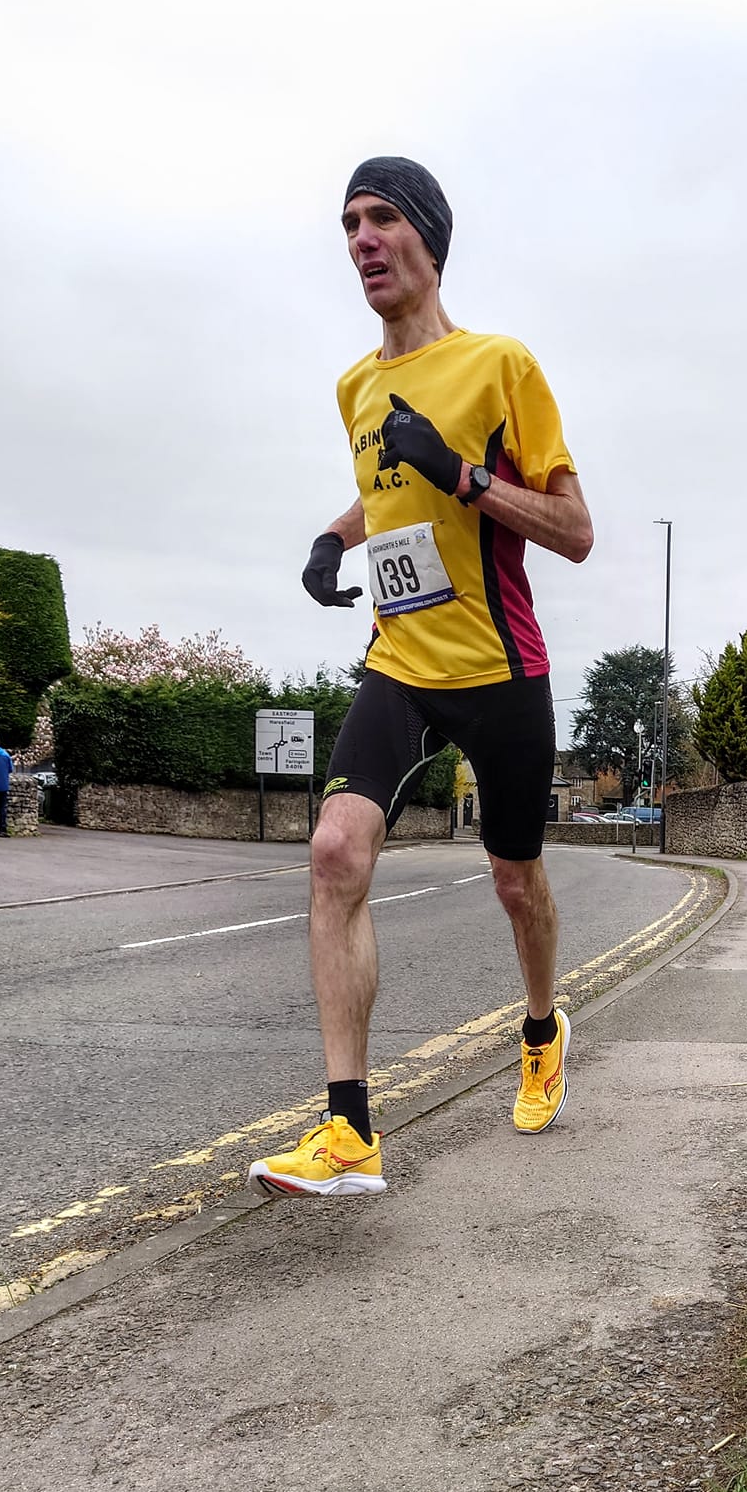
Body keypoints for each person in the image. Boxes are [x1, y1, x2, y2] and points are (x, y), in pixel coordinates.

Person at [249, 157, 593, 1199]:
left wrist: (462, 472)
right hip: (401, 663)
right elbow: (385, 488)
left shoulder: (501, 367)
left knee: (514, 880)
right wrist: (333, 536)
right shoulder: (355, 387)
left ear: (429, 241)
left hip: (500, 667)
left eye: (382, 217)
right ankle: (348, 1130)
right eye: (349, 222)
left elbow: (574, 529)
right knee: (333, 851)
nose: (361, 237)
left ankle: (541, 1029)